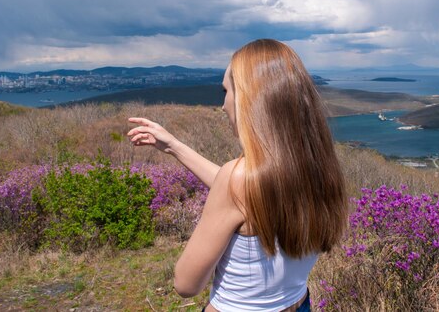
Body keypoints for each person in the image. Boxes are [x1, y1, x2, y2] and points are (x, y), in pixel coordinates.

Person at [127, 39, 347, 311]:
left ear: (248, 99)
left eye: (226, 91)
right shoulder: (319, 167)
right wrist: (173, 146)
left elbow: (186, 284)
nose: (223, 105)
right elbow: (245, 192)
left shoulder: (238, 179)